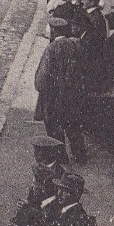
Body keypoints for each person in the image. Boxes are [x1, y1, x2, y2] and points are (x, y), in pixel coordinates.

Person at [34, 18, 87, 164]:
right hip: (73, 94)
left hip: (55, 96)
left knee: (55, 128)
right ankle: (80, 154)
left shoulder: (51, 48)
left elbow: (42, 78)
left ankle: (61, 158)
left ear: (54, 31)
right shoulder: (75, 44)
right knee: (73, 126)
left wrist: (41, 88)